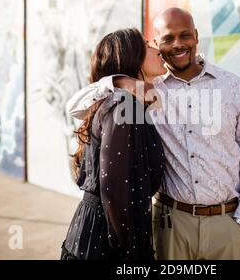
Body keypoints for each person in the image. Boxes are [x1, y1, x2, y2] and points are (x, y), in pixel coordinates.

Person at [67, 8, 240, 260]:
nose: (178, 44)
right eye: (168, 38)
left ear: (196, 35)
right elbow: (75, 107)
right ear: (156, 44)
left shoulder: (230, 85)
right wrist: (119, 81)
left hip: (226, 225)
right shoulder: (146, 90)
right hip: (170, 224)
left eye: (185, 35)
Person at [60, 28, 167, 260]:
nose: (157, 50)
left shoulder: (128, 102)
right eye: (149, 45)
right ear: (132, 57)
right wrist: (131, 252)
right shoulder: (124, 105)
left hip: (100, 231)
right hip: (106, 240)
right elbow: (115, 191)